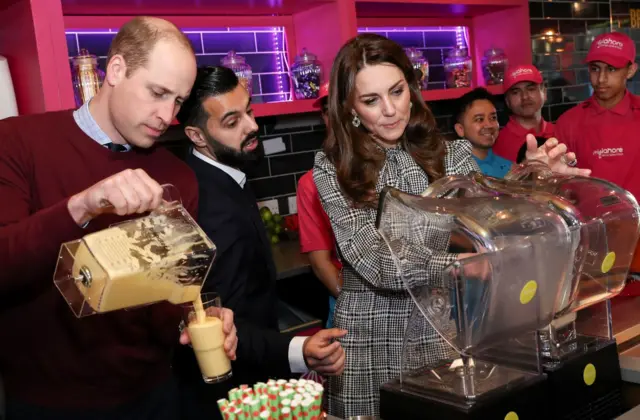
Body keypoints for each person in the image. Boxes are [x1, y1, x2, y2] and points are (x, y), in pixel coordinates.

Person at [312, 33, 591, 418]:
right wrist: (462, 266)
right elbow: (377, 261)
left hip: (439, 334)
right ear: (351, 108)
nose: (391, 110)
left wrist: (537, 177)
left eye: (396, 92)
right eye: (371, 100)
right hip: (372, 341)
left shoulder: (446, 152)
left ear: (411, 88)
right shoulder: (333, 167)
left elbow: (493, 208)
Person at [0, 17, 239, 420]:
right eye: (157, 92)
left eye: (178, 101)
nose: (167, 115)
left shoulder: (177, 175)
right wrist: (81, 206)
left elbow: (169, 289)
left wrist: (197, 316)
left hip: (155, 394)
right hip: (51, 405)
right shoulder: (17, 141)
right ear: (115, 70)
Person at [174, 66, 347, 419]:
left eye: (249, 111)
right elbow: (224, 320)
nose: (252, 126)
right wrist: (300, 350)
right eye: (232, 121)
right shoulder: (209, 204)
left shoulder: (224, 172)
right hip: (233, 391)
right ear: (197, 135)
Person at [555, 31, 639, 200]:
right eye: (595, 69)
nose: (601, 79)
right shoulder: (568, 122)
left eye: (612, 69)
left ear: (630, 70)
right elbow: (559, 186)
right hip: (591, 224)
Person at [297, 82, 343, 328]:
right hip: (348, 304)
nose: (335, 115)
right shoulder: (311, 184)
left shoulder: (393, 166)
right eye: (328, 109)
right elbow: (320, 261)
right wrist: (354, 304)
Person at [493, 64, 555, 162]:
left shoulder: (560, 132)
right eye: (516, 92)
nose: (525, 96)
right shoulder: (498, 144)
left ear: (544, 92)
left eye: (531, 89)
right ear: (507, 101)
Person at [453, 87, 512, 178]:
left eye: (493, 118)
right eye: (479, 119)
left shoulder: (511, 169)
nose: (489, 125)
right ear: (460, 129)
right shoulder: (452, 170)